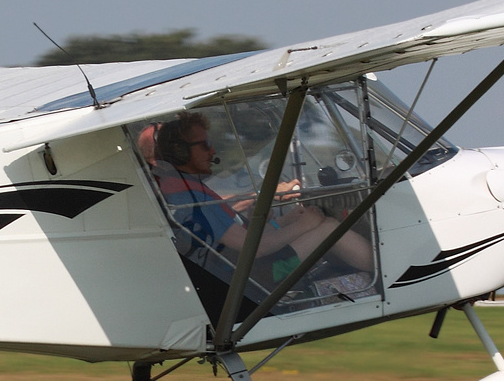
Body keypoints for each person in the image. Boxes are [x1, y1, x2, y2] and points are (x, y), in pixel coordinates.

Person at [152, 112, 373, 280]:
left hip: (246, 270)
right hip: (258, 277)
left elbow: (239, 238)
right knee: (329, 227)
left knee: (323, 224)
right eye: (205, 145)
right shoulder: (190, 197)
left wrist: (285, 222)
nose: (212, 152)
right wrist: (304, 225)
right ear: (181, 151)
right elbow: (254, 249)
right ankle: (383, 273)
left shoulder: (183, 189)